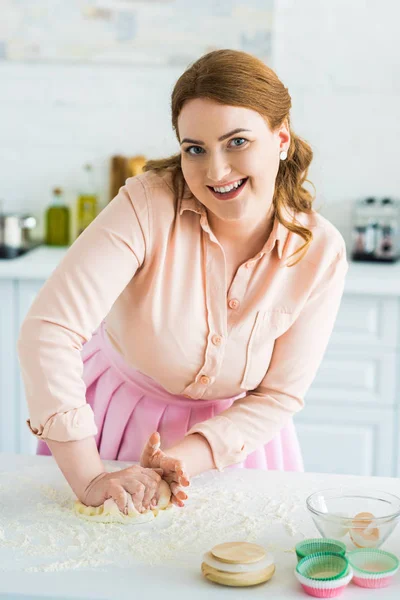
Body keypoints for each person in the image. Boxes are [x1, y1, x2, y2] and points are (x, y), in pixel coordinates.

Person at [17, 49, 348, 518]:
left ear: (281, 139)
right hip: (116, 425)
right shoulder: (147, 204)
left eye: (237, 142)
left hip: (241, 444)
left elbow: (278, 396)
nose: (215, 171)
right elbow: (48, 330)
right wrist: (91, 477)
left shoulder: (319, 251)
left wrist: (183, 457)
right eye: (196, 148)